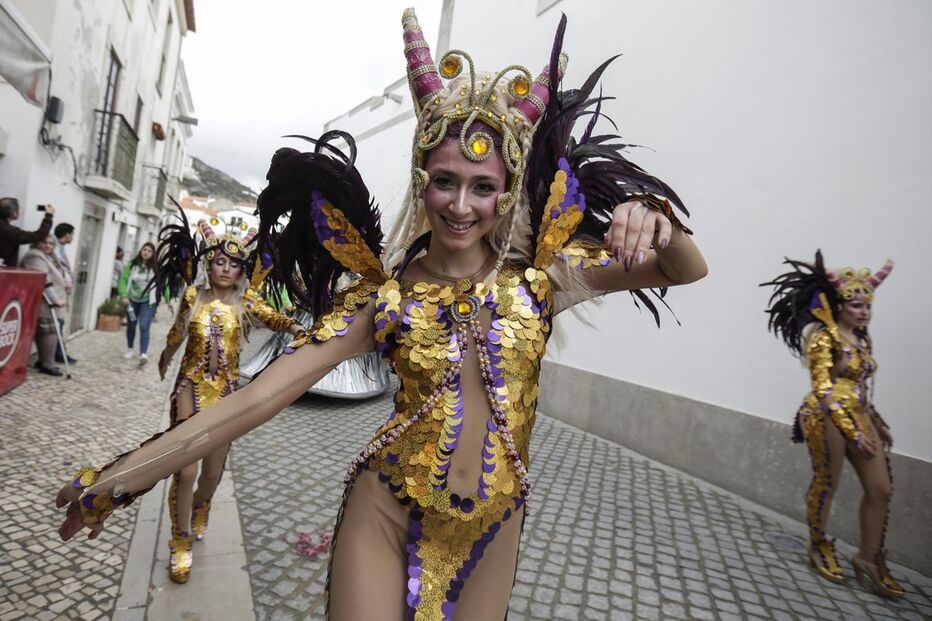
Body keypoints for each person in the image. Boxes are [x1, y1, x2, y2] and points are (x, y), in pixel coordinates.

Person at [56, 11, 707, 618]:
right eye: (444, 180)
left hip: (495, 525)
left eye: (482, 187)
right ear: (421, 179)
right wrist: (122, 478)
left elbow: (686, 267)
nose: (460, 205)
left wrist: (654, 213)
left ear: (504, 192)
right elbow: (259, 397)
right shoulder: (383, 298)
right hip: (385, 511)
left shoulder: (543, 281)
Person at [154, 216, 302, 582]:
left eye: (234, 264)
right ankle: (180, 539)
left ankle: (202, 506)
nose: (226, 269)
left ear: (241, 271)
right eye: (219, 261)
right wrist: (165, 357)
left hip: (225, 395)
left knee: (212, 472)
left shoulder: (247, 302)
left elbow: (277, 319)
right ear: (209, 264)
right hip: (188, 388)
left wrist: (300, 328)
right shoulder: (193, 296)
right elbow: (176, 333)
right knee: (186, 469)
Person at [762, 251, 903, 597]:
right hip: (825, 415)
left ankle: (869, 558)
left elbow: (860, 387)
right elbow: (823, 388)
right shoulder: (824, 339)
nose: (863, 311)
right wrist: (853, 432)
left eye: (867, 306)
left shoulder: (863, 340)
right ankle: (818, 543)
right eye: (856, 306)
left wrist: (875, 421)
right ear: (839, 305)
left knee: (881, 489)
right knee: (827, 482)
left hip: (858, 413)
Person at [19, 235, 68, 376]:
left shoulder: (47, 256)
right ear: (36, 242)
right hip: (43, 302)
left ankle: (45, 361)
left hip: (48, 303)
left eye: (51, 243)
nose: (47, 245)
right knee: (49, 332)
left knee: (48, 332)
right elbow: (43, 279)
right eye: (44, 242)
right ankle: (47, 364)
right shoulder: (35, 257)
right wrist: (55, 300)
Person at [118, 242, 159, 364]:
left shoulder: (155, 267)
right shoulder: (131, 265)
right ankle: (130, 348)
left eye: (149, 251)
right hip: (131, 300)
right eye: (144, 249)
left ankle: (143, 353)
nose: (146, 252)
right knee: (131, 325)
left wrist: (168, 300)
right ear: (141, 251)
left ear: (153, 254)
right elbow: (123, 281)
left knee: (144, 325)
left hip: (148, 301)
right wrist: (124, 295)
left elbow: (162, 284)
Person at [0, 197, 54, 268]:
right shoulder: (9, 231)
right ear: (13, 212)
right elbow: (38, 236)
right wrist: (48, 216)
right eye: (18, 209)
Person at [52, 222, 77, 365]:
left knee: (60, 323)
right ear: (67, 234)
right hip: (57, 292)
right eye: (72, 234)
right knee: (58, 323)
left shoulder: (60, 248)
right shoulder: (55, 248)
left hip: (62, 292)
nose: (73, 237)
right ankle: (58, 354)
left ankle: (59, 353)